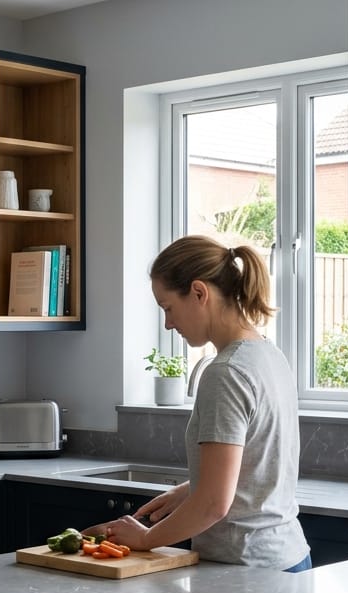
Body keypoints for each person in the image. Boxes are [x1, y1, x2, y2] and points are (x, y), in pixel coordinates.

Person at [87, 235, 311, 571]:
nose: (168, 323)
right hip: (287, 559)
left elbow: (213, 505)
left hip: (243, 571)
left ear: (198, 292)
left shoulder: (226, 372)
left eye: (168, 308)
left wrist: (146, 539)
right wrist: (190, 490)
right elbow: (256, 462)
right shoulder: (268, 354)